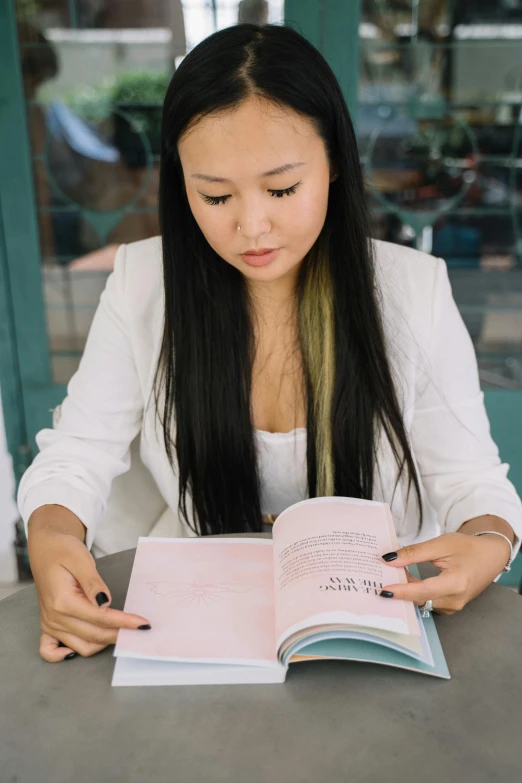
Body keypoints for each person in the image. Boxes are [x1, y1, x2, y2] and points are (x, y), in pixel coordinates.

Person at [18, 23, 522, 664]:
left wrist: (490, 542)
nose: (251, 226)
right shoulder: (144, 283)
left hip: (369, 625)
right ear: (183, 184)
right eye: (215, 195)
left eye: (282, 189)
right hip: (193, 618)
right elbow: (78, 453)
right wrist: (52, 534)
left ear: (335, 162)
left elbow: (474, 481)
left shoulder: (413, 290)